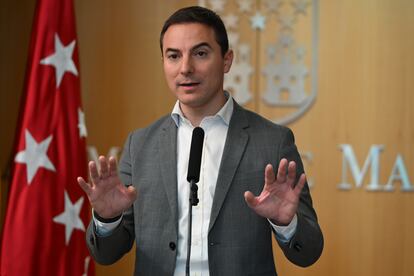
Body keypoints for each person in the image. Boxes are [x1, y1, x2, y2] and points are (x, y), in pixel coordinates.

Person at [78, 6, 323, 276]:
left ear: (226, 60)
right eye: (173, 56)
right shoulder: (140, 144)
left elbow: (309, 252)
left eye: (200, 53)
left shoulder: (273, 141)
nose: (185, 68)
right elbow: (106, 254)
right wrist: (107, 219)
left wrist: (286, 224)